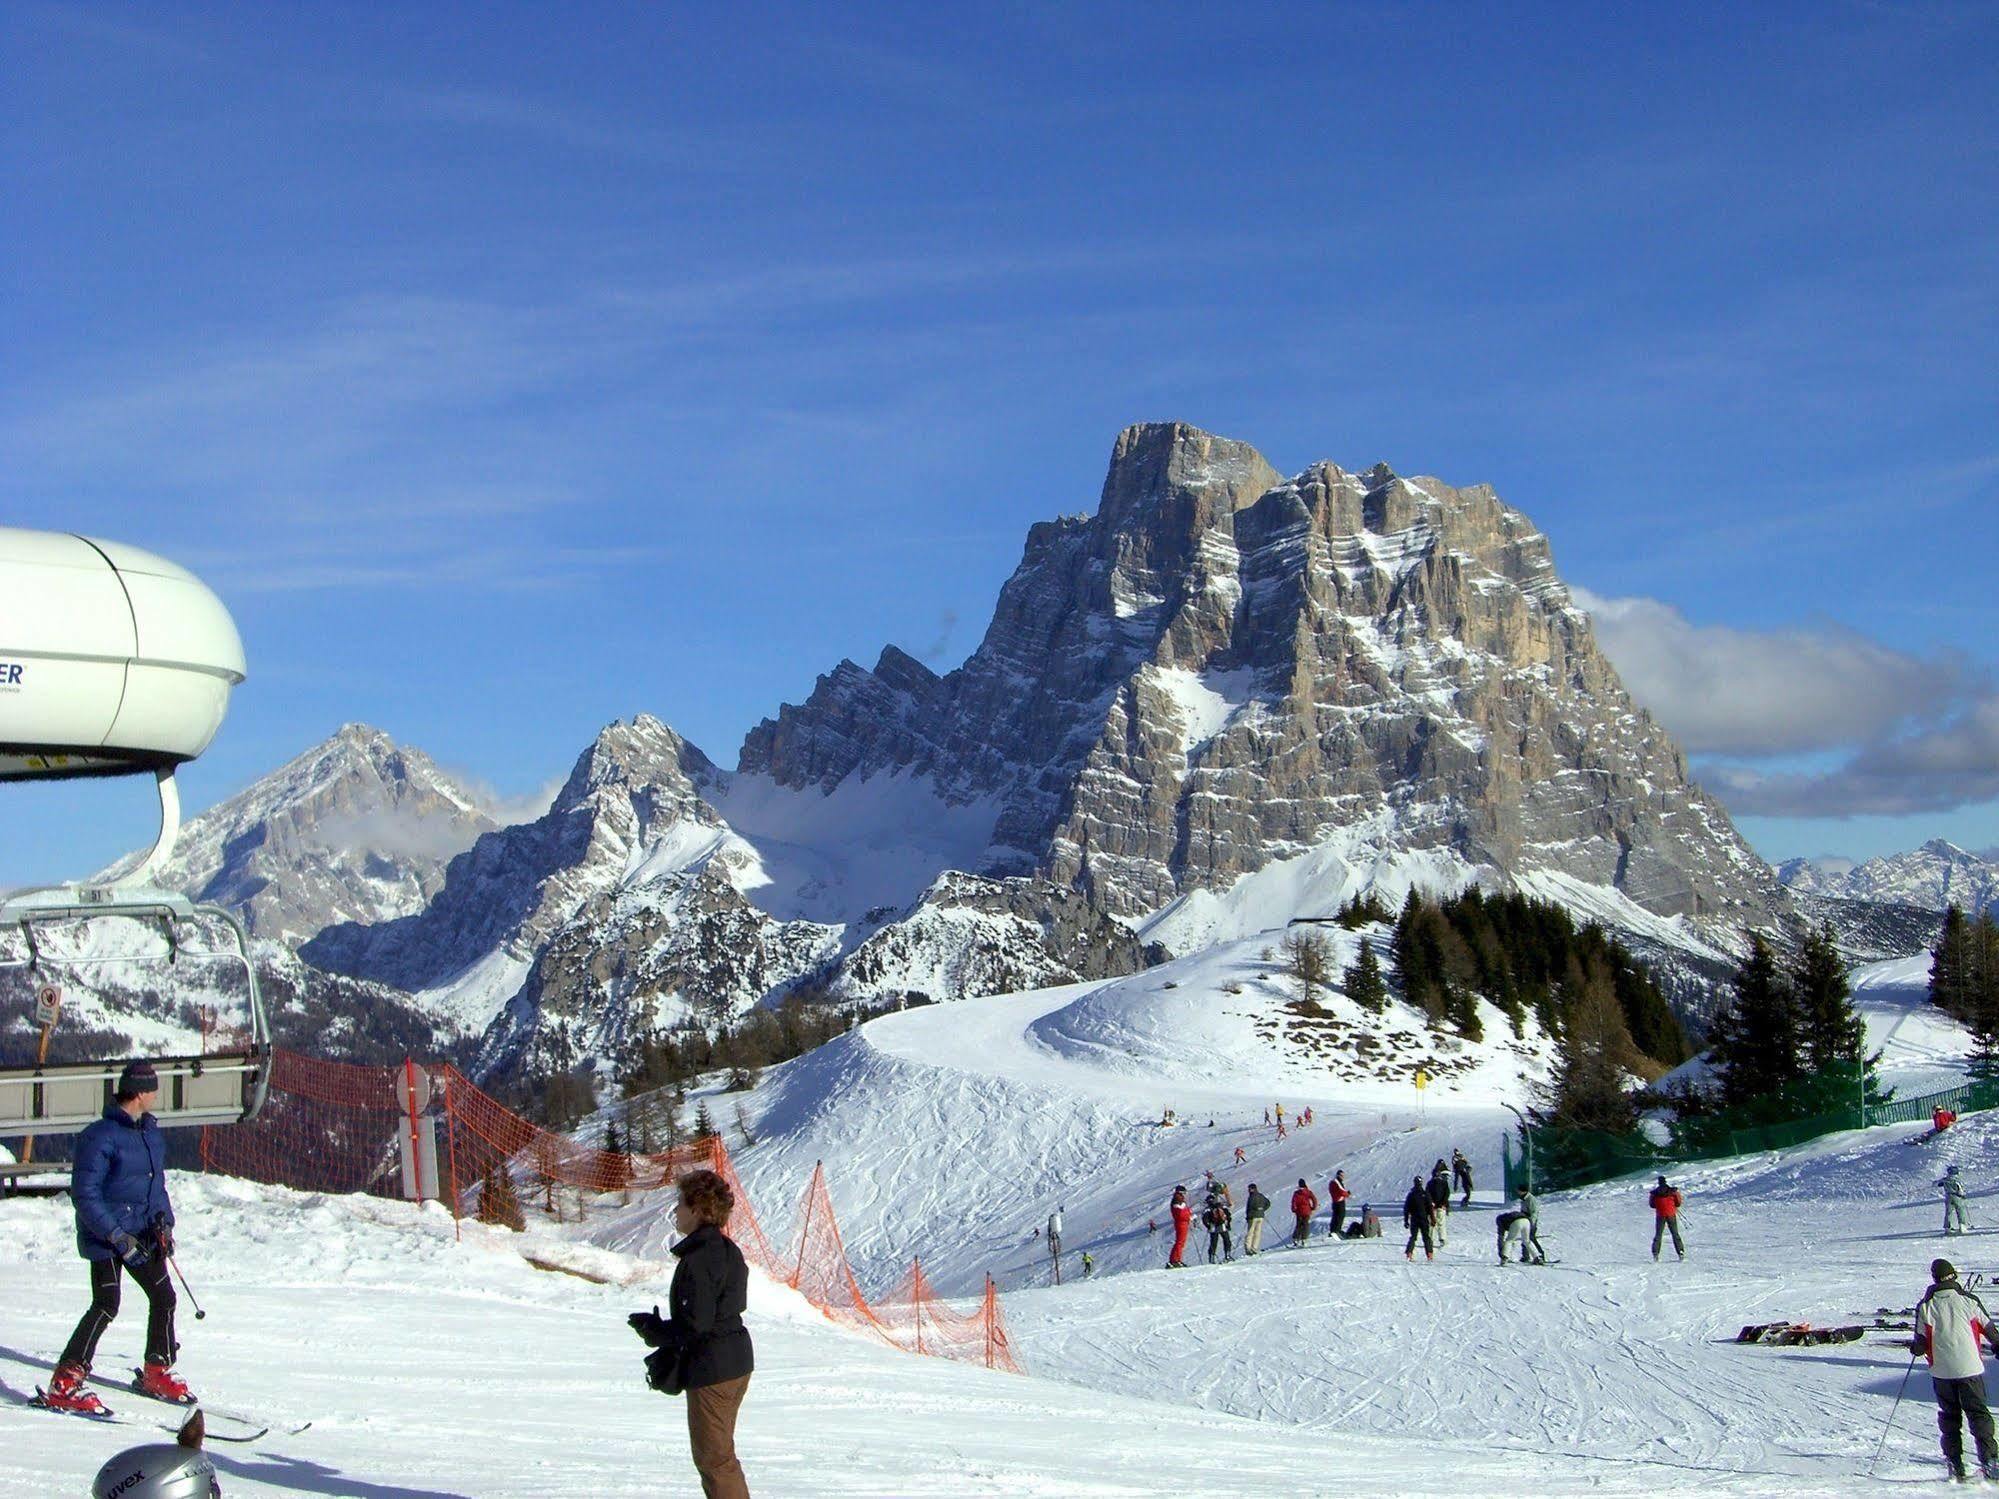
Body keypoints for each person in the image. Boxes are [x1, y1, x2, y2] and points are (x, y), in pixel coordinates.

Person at [44, 1061, 183, 1415]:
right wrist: (117, 1236)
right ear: (139, 1093)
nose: (156, 1094)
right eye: (153, 1088)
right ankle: (66, 1380)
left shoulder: (149, 1132)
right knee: (107, 1303)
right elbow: (85, 1194)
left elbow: (156, 1185)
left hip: (142, 1231)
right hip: (105, 1235)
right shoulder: (100, 1136)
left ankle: (157, 1369)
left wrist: (164, 1223)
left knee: (164, 1296)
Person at [633, 1168, 755, 1499]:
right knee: (720, 1457)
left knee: (715, 1461)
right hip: (734, 1360)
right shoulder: (727, 1249)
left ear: (698, 1210)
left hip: (714, 1369)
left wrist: (655, 1331)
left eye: (680, 1204)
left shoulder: (700, 1258)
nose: (676, 1211)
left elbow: (696, 1324)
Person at [1916, 1257, 1999, 1482]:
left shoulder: (1926, 1306)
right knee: (1979, 1414)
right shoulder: (1968, 1301)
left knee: (1950, 1417)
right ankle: (1990, 1462)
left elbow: (1920, 1341)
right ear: (1953, 1276)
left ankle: (1955, 1464)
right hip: (1970, 1367)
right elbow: (1990, 1329)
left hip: (1941, 1371)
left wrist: (1916, 1348)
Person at [1649, 1174, 1686, 1260]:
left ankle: (1655, 1254)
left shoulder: (1654, 1193)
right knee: (1675, 1234)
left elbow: (1652, 1205)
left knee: (1658, 1235)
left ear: (1659, 1183)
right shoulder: (1672, 1191)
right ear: (1665, 1182)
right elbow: (1678, 1202)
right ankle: (1680, 1252)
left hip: (1660, 1215)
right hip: (1671, 1214)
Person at [1403, 1175, 1436, 1261]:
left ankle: (1409, 1253)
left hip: (1414, 1219)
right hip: (1424, 1218)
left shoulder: (1411, 1195)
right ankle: (1429, 1254)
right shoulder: (1425, 1194)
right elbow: (1430, 1208)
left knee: (1413, 1237)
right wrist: (1433, 1219)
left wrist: (1406, 1220)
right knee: (1426, 1237)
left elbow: (1406, 1208)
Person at [1202, 1181, 1235, 1263]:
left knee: (1213, 1243)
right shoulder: (1221, 1206)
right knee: (1227, 1240)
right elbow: (1228, 1215)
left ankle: (1212, 1258)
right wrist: (1228, 1223)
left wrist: (1208, 1226)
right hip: (1222, 1225)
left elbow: (1204, 1219)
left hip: (1213, 1227)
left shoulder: (1208, 1209)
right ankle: (1227, 1255)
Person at [1517, 1187, 1547, 1265]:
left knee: (1531, 1238)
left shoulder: (1531, 1199)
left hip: (1530, 1222)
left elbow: (1534, 1212)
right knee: (1525, 1238)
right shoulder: (1523, 1199)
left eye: (1519, 1191)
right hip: (1525, 1221)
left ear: (1524, 1191)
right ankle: (1525, 1256)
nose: (1518, 1193)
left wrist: (1531, 1222)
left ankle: (1540, 1255)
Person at [1941, 1165, 1973, 1236]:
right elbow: (1960, 1189)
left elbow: (1937, 1183)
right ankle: (1962, 1226)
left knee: (1949, 1212)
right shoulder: (1957, 1180)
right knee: (1961, 1210)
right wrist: (1963, 1195)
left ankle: (1948, 1227)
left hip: (1948, 1196)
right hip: (1957, 1196)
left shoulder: (1945, 1180)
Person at [1427, 1161, 1452, 1247]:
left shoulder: (1430, 1183)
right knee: (1440, 1223)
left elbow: (1428, 1194)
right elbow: (1447, 1194)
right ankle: (1441, 1238)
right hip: (1439, 1206)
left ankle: (1432, 1239)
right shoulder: (1443, 1183)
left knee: (1432, 1223)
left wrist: (1431, 1203)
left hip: (1434, 1206)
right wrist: (1444, 1203)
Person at [1167, 1186, 1193, 1268]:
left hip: (1183, 1222)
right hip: (1181, 1223)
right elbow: (1180, 1214)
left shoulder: (1180, 1200)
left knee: (1181, 1242)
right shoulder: (1177, 1200)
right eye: (1183, 1193)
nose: (1184, 1195)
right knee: (1180, 1242)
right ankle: (1174, 1260)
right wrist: (1189, 1217)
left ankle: (1177, 1259)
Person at [1243, 1183, 1271, 1256]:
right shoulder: (1261, 1195)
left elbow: (1249, 1207)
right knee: (1257, 1233)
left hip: (1252, 1217)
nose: (1248, 1190)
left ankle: (1248, 1249)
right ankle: (1254, 1248)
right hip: (1260, 1216)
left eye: (1249, 1189)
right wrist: (1262, 1210)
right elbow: (1268, 1203)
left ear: (1253, 1189)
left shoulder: (1252, 1197)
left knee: (1250, 1233)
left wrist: (1248, 1216)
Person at [1290, 1179, 1318, 1247]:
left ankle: (1296, 1239)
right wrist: (1313, 1207)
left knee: (1299, 1225)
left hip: (1299, 1211)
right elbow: (1314, 1199)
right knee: (1305, 1225)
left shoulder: (1296, 1193)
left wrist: (1294, 1209)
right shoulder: (1308, 1192)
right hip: (1307, 1211)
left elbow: (1293, 1202)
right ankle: (1304, 1240)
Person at [1327, 1170, 1352, 1238]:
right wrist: (1348, 1195)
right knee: (1340, 1216)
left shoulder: (1334, 1182)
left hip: (1336, 1201)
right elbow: (1341, 1191)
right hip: (1339, 1201)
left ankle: (1334, 1230)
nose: (1343, 1177)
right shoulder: (1336, 1182)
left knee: (1336, 1216)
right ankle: (1336, 1230)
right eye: (1341, 1175)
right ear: (1338, 1175)